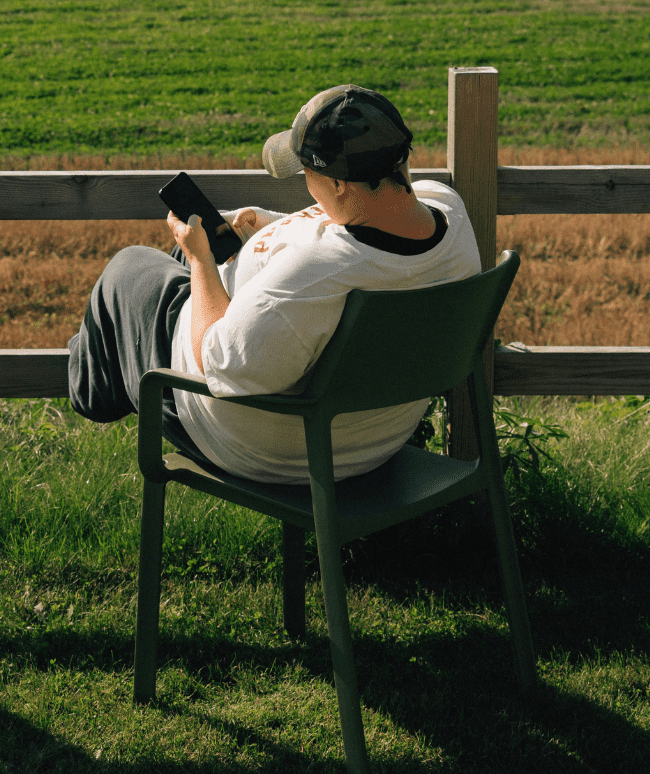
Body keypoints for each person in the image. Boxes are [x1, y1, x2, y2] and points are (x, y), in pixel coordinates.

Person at [68, 85, 481, 483]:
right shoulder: (449, 210)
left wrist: (201, 260)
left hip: (274, 449)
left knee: (131, 268)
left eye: (305, 171)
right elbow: (353, 229)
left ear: (338, 183)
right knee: (180, 259)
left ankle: (89, 391)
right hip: (377, 439)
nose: (304, 181)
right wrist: (276, 230)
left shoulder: (314, 278)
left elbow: (218, 362)